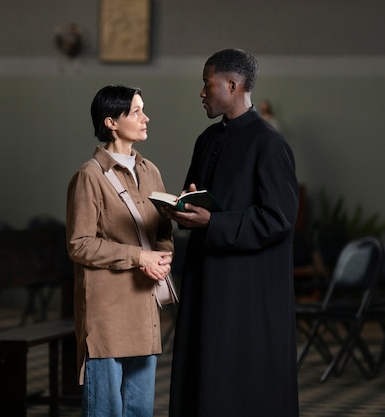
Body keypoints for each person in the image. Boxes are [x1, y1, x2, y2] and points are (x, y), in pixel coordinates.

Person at [166, 49, 300, 417]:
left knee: (239, 381)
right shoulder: (207, 139)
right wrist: (183, 208)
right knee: (201, 373)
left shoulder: (269, 144)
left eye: (207, 84)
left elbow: (280, 218)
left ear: (232, 84)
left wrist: (213, 222)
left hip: (247, 290)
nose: (202, 92)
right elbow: (198, 199)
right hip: (206, 279)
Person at [66, 84, 174, 417]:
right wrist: (139, 257)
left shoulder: (150, 171)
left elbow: (162, 231)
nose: (146, 118)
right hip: (107, 313)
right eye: (137, 111)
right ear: (111, 121)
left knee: (141, 410)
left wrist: (162, 259)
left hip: (143, 308)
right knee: (106, 410)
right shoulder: (89, 177)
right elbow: (79, 244)